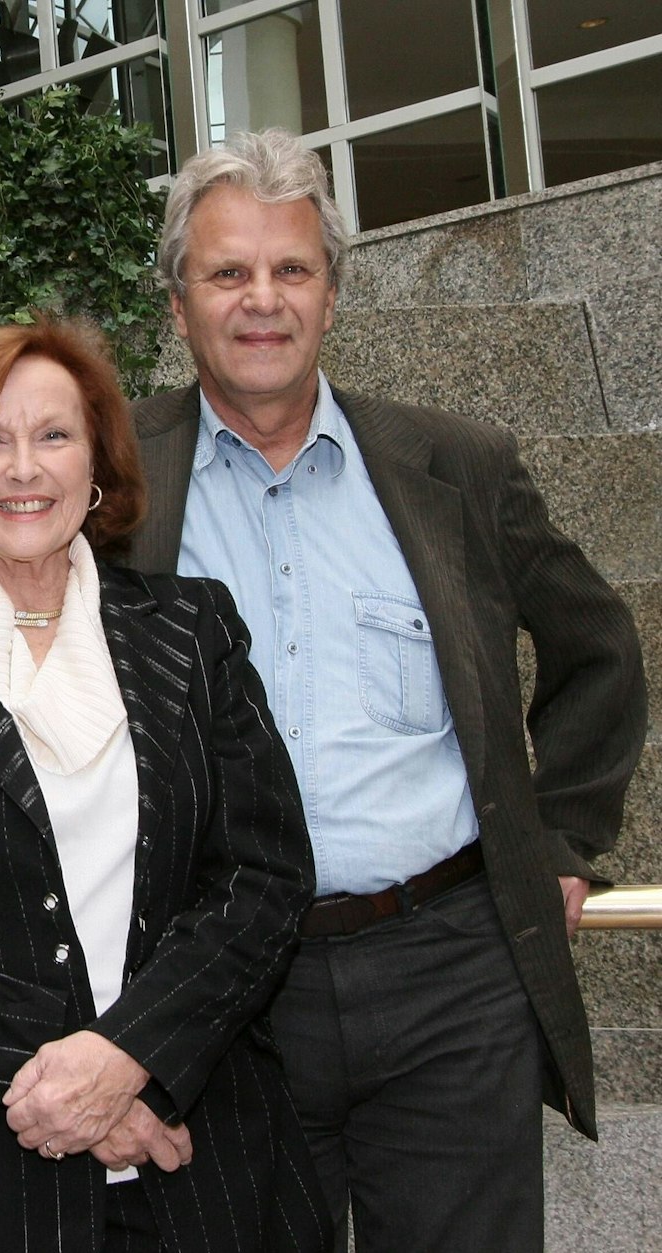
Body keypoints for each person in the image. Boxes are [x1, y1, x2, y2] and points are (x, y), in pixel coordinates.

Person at [122, 129, 646, 1252]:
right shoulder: (112, 477)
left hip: (448, 980)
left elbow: (598, 645)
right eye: (226, 272)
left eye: (291, 269)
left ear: (331, 293)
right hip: (218, 993)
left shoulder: (454, 463)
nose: (262, 299)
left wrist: (560, 837)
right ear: (178, 305)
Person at [0, 317, 330, 1252]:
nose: (24, 468)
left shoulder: (192, 626)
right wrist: (58, 1077)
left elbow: (265, 875)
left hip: (197, 1157)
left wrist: (131, 1056)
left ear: (97, 464)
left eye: (53, 435)